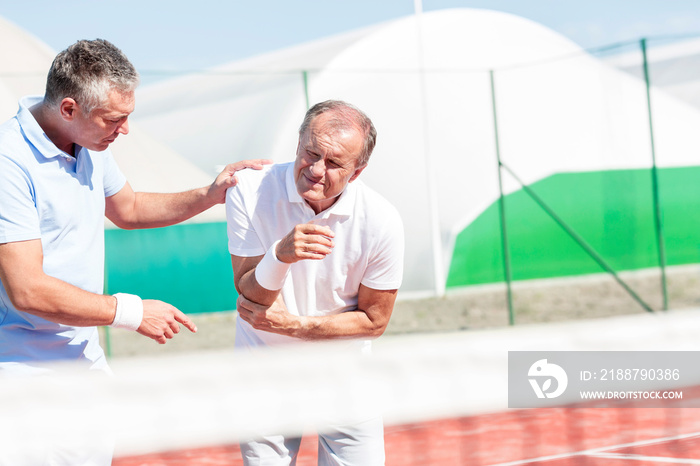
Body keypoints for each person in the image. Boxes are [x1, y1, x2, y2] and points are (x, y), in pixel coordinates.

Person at [0, 38, 269, 373]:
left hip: (83, 352)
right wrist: (133, 312)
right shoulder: (8, 161)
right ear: (69, 109)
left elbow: (129, 209)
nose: (124, 130)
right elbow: (28, 291)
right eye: (114, 119)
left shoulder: (88, 142)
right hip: (19, 367)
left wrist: (211, 194)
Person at [226, 100, 404, 465]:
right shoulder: (248, 188)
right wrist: (280, 256)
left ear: (357, 172)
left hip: (347, 378)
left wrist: (296, 327)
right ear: (298, 144)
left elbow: (374, 321)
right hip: (262, 374)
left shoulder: (383, 220)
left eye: (335, 163)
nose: (317, 170)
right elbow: (248, 291)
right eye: (311, 152)